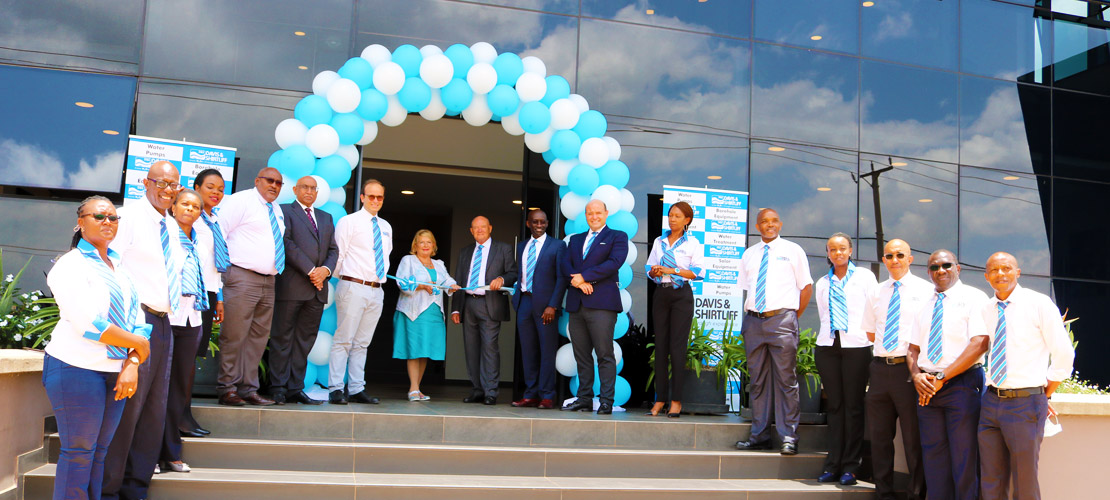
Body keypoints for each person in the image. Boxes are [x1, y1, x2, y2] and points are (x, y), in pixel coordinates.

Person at [44, 196, 151, 500]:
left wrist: (131, 363)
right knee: (78, 452)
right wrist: (139, 345)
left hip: (115, 372)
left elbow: (138, 320)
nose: (108, 222)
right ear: (80, 222)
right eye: (99, 216)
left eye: (113, 218)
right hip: (75, 369)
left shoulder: (119, 265)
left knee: (99, 452)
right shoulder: (70, 265)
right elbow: (88, 324)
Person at [103, 160, 183, 500]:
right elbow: (112, 270)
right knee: (127, 410)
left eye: (173, 185)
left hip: (164, 324)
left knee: (153, 411)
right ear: (144, 182)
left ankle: (136, 490)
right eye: (160, 182)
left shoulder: (172, 225)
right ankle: (108, 491)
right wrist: (128, 330)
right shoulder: (128, 218)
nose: (167, 189)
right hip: (136, 323)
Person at [978, 252, 1074, 500]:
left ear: (1017, 273)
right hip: (990, 402)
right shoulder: (987, 309)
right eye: (995, 270)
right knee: (990, 478)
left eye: (1006, 268)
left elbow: (1063, 354)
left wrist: (1045, 394)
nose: (1001, 273)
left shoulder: (1039, 304)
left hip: (1025, 403)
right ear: (987, 277)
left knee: (1024, 478)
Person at [906, 249, 989, 500]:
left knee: (964, 456)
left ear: (957, 268)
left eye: (946, 265)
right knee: (933, 456)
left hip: (962, 384)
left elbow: (979, 343)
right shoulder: (922, 302)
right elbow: (912, 348)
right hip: (927, 388)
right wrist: (917, 375)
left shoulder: (975, 297)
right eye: (934, 267)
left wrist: (942, 378)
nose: (940, 271)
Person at [734, 208, 813, 456]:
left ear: (780, 224)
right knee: (757, 381)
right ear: (758, 226)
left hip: (782, 320)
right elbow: (746, 289)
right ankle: (759, 436)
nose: (770, 225)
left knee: (786, 381)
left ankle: (789, 436)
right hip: (754, 322)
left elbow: (806, 287)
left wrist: (790, 317)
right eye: (765, 222)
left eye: (774, 221)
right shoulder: (749, 254)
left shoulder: (793, 251)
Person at [861, 239, 931, 500]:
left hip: (909, 371)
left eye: (900, 255)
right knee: (879, 439)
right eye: (889, 256)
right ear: (884, 260)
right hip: (879, 370)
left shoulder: (926, 290)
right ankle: (883, 493)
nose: (894, 260)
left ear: (910, 258)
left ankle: (916, 494)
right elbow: (870, 332)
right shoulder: (876, 291)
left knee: (913, 439)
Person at [215, 167, 288, 407]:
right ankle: (228, 388)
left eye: (279, 183)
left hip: (269, 280)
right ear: (257, 180)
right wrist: (223, 273)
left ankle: (248, 389)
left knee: (258, 338)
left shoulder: (275, 209)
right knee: (234, 335)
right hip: (242, 277)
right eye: (270, 180)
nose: (274, 185)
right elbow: (219, 233)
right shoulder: (240, 201)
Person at [813, 233, 878, 485]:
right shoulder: (822, 282)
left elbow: (873, 310)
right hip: (828, 347)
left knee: (853, 407)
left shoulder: (864, 277)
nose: (838, 253)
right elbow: (823, 314)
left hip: (857, 347)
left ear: (850, 251)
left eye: (842, 248)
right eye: (832, 249)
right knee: (835, 407)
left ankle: (851, 467)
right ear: (827, 253)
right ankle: (832, 465)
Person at [269, 176, 337, 405]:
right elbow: (286, 243)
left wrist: (325, 271)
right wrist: (311, 271)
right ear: (296, 190)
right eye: (304, 187)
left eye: (313, 188)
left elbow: (333, 250)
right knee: (282, 338)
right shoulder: (284, 211)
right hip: (292, 287)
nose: (309, 191)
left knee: (304, 341)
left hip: (316, 291)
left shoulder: (326, 218)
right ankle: (278, 388)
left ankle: (294, 388)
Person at [560, 200, 628, 415]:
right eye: (590, 213)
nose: (594, 216)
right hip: (577, 303)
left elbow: (614, 263)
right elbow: (565, 264)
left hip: (602, 305)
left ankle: (606, 400)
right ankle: (584, 398)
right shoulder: (576, 240)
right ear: (586, 215)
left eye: (598, 212)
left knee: (604, 354)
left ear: (606, 213)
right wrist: (578, 281)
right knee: (581, 355)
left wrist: (585, 277)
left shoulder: (617, 236)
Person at [328, 179, 390, 405]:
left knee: (362, 343)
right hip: (353, 285)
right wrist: (344, 280)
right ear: (362, 197)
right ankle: (335, 388)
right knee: (344, 339)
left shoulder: (385, 227)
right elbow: (339, 254)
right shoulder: (349, 222)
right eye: (371, 196)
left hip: (376, 290)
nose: (375, 200)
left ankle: (356, 388)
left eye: (379, 197)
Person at [159, 189, 208, 474]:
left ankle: (171, 452)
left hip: (192, 318)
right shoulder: (163, 235)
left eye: (196, 206)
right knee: (156, 391)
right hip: (166, 317)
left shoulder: (198, 240)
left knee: (179, 391)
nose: (190, 209)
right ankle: (149, 454)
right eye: (185, 204)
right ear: (173, 207)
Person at [644, 201, 703, 418]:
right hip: (662, 294)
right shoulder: (659, 241)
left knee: (677, 349)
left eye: (677, 216)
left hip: (682, 296)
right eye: (670, 215)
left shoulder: (693, 243)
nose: (672, 219)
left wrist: (672, 269)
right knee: (660, 348)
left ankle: (676, 401)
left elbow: (697, 272)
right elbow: (649, 267)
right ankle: (660, 399)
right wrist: (655, 272)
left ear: (687, 220)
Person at [450, 215, 518, 405]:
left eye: (483, 227)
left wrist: (502, 280)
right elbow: (459, 281)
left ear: (490, 228)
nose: (479, 230)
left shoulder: (503, 249)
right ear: (471, 231)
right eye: (475, 228)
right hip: (468, 304)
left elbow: (513, 272)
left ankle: (491, 392)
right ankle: (477, 389)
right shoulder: (465, 252)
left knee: (489, 347)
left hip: (490, 303)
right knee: (471, 349)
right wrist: (456, 309)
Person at [182, 168, 226, 437]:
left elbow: (213, 265)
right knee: (185, 359)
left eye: (220, 189)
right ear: (197, 187)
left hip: (209, 293)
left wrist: (219, 297)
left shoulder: (213, 220)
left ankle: (185, 413)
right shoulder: (191, 220)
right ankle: (180, 415)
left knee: (193, 356)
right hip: (193, 294)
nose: (216, 192)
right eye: (210, 187)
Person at [511, 209, 568, 410]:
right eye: (535, 222)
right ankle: (530, 394)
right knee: (528, 351)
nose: (539, 225)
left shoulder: (558, 245)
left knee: (546, 351)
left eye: (542, 222)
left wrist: (553, 305)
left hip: (546, 306)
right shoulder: (522, 246)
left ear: (547, 223)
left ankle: (547, 395)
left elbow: (562, 278)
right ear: (528, 224)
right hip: (524, 302)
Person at [393, 230, 458, 401]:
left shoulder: (439, 264)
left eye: (429, 242)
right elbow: (401, 282)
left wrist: (453, 285)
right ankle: (413, 389)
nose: (425, 245)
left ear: (434, 246)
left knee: (425, 350)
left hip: (434, 312)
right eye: (421, 242)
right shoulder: (408, 261)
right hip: (414, 311)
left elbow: (446, 280)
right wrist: (422, 286)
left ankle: (417, 388)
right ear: (415, 245)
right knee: (414, 349)